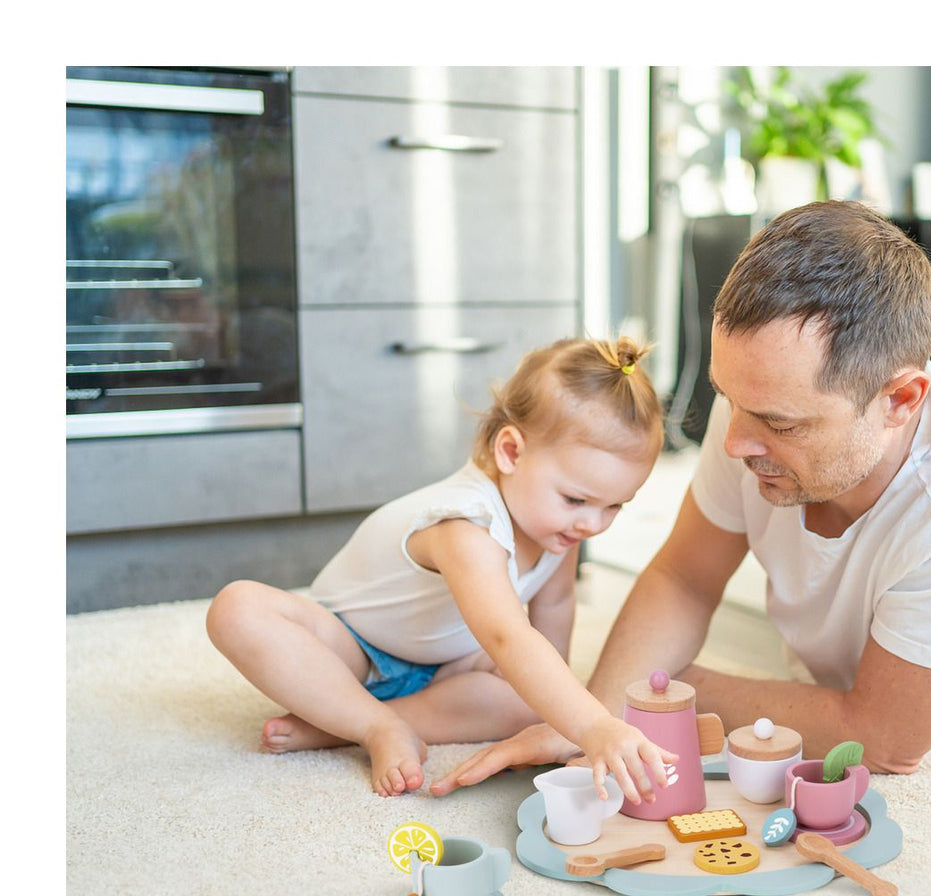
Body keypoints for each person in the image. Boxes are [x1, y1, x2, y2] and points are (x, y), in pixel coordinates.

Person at [429, 201, 931, 796]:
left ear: (899, 400)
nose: (735, 442)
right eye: (729, 402)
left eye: (779, 423)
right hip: (916, 552)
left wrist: (660, 692)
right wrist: (593, 715)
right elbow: (685, 576)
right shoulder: (753, 404)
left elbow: (883, 738)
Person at [206, 336, 678, 800]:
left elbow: (554, 609)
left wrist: (561, 714)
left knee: (530, 702)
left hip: (446, 664)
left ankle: (332, 725)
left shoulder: (560, 528)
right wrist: (596, 725)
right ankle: (373, 724)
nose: (592, 523)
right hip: (350, 653)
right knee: (239, 608)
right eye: (577, 499)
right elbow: (507, 637)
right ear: (510, 452)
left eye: (614, 505)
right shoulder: (465, 524)